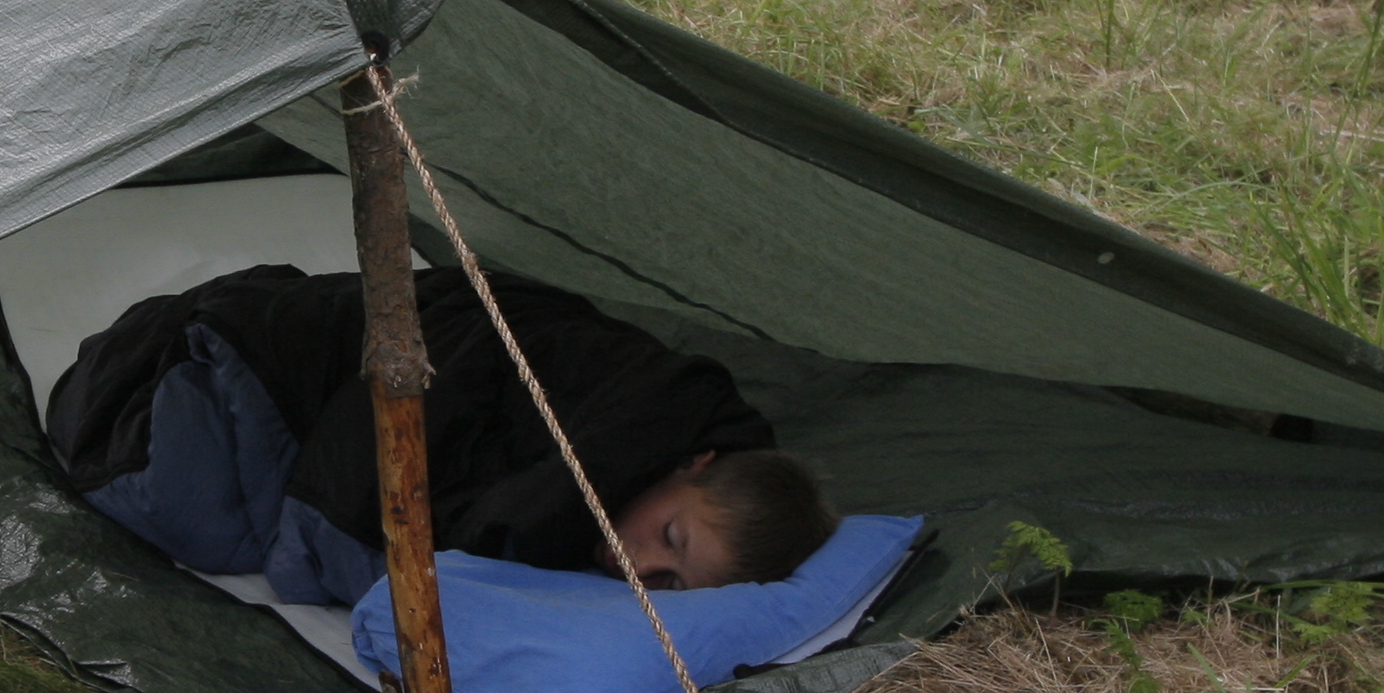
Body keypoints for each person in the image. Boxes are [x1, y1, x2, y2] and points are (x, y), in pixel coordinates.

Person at [45, 262, 835, 606]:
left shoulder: (618, 482)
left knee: (207, 520)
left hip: (290, 383)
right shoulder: (639, 406)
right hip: (229, 352)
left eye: (664, 581)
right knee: (179, 502)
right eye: (669, 536)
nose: (635, 563)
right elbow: (456, 365)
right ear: (696, 463)